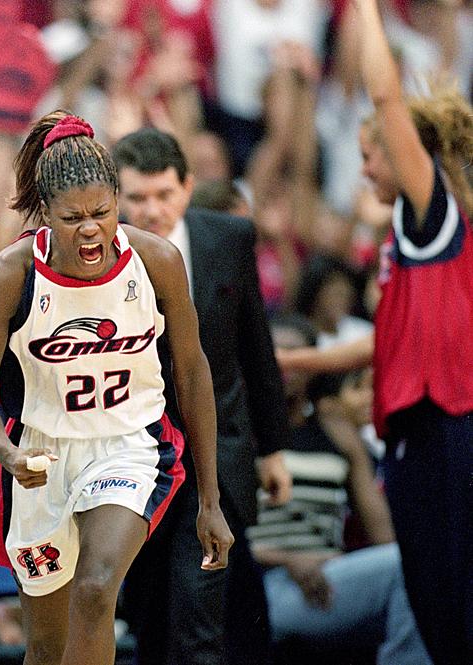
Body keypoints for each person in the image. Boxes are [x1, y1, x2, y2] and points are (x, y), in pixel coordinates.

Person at [0, 111, 233, 665]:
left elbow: (192, 371)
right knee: (47, 646)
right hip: (39, 455)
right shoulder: (10, 276)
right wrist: (8, 454)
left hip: (131, 445)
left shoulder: (155, 262)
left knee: (95, 588)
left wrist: (210, 497)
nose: (91, 229)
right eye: (73, 217)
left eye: (103, 213)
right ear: (44, 213)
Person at [112, 126, 291, 665]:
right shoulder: (99, 258)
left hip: (217, 459)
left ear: (188, 187)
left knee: (200, 623)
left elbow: (254, 347)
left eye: (164, 195)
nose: (151, 210)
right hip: (134, 461)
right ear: (117, 198)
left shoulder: (229, 237)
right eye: (137, 198)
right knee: (148, 623)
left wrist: (273, 447)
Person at [353, 1, 473, 662]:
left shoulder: (430, 212)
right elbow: (391, 345)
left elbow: (382, 92)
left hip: (442, 424)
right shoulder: (406, 231)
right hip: (419, 430)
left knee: (450, 612)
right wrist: (310, 363)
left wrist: (365, 8)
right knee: (435, 608)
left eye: (372, 154)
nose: (365, 167)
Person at [251, 368, 431, 664]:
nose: (284, 368)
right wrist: (288, 560)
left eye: (294, 356)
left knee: (414, 562)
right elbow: (217, 538)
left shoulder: (332, 435)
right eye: (275, 352)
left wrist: (355, 453)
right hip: (261, 584)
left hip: (328, 580)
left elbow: (383, 537)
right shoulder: (239, 435)